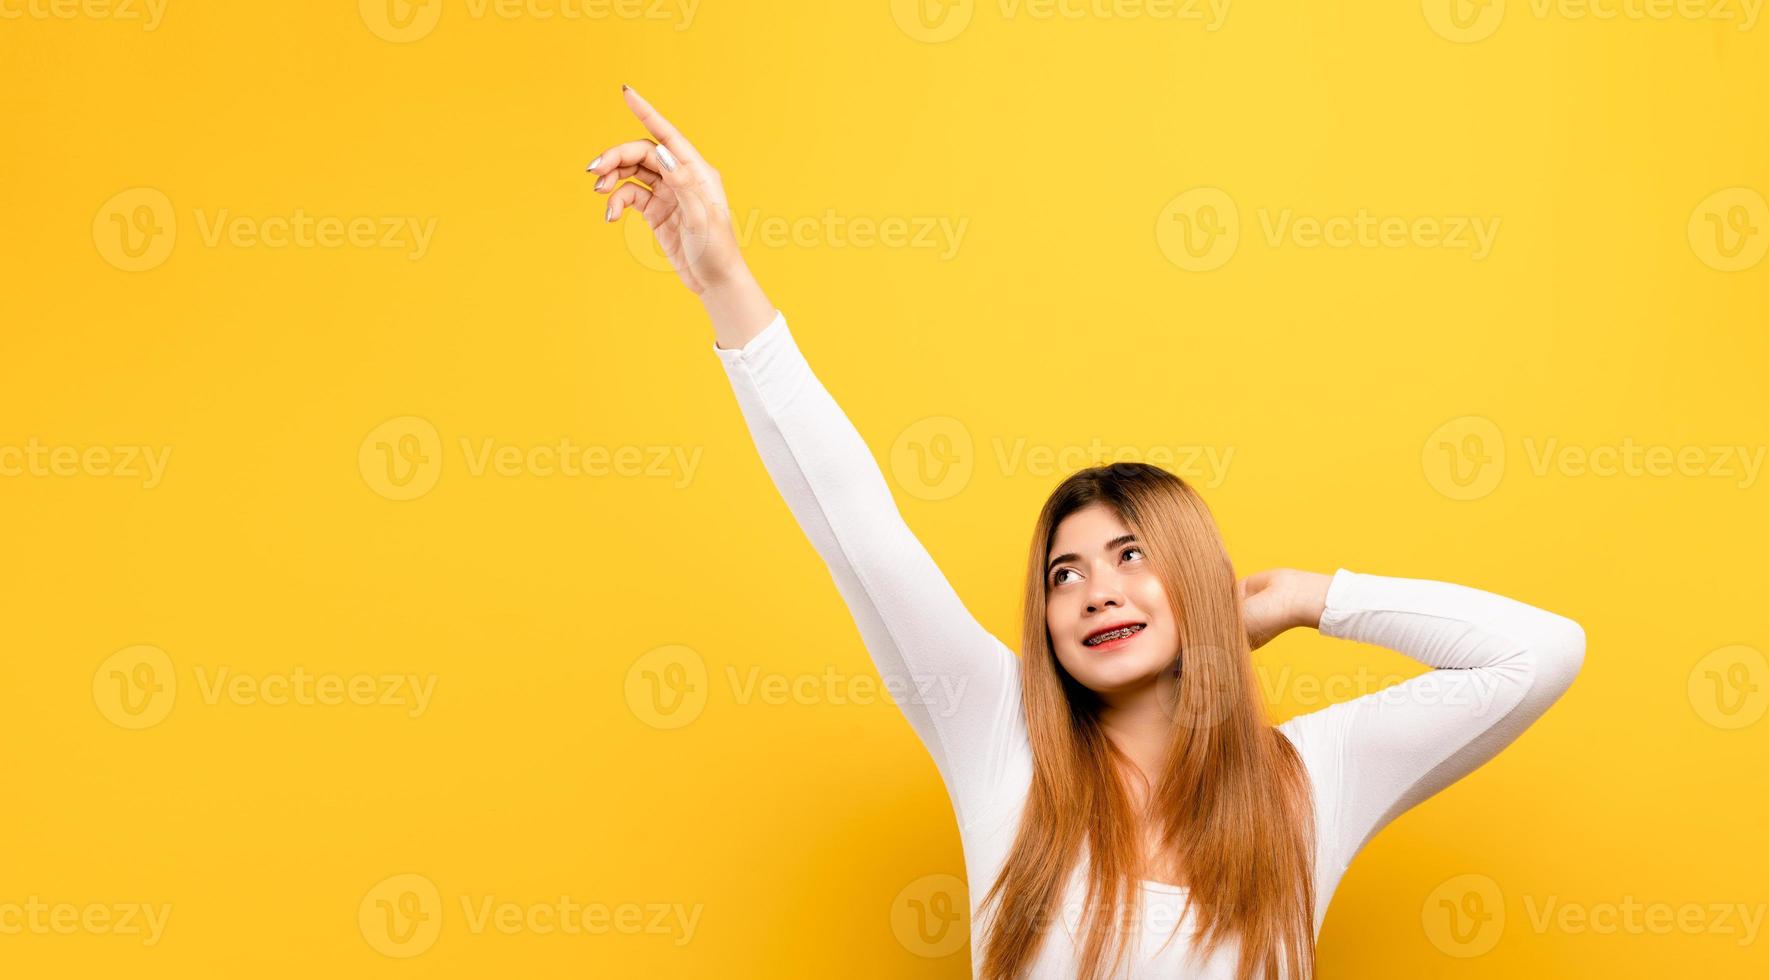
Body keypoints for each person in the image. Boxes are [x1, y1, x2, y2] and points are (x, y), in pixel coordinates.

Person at [587, 85, 1587, 980]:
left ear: (1200, 578)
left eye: (1133, 555)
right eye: (1064, 572)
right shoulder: (996, 727)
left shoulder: (1312, 779)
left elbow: (1539, 653)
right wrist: (723, 278)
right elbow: (856, 522)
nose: (1095, 589)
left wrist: (1308, 594)